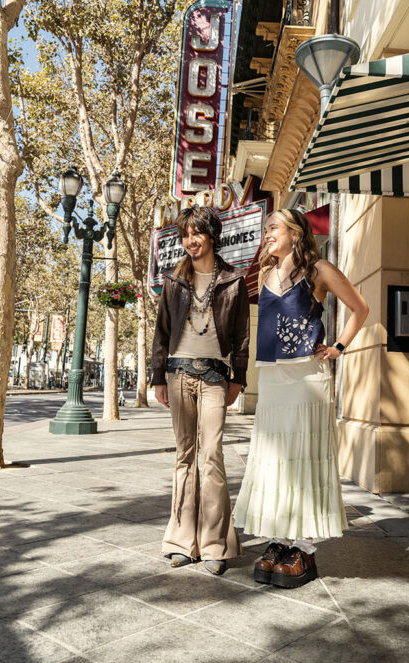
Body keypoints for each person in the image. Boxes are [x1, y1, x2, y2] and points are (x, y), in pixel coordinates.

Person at [233, 208, 368, 589]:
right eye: (266, 229)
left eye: (273, 227)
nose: (266, 233)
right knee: (274, 460)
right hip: (275, 379)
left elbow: (360, 308)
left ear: (295, 232)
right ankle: (279, 539)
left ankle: (303, 547)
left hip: (309, 378)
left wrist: (339, 346)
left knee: (304, 458)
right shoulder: (264, 275)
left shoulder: (319, 270)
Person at [151, 206, 249, 576]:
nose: (191, 241)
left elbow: (241, 336)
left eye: (197, 234)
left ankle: (215, 544)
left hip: (214, 377)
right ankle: (180, 541)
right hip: (177, 375)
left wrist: (239, 377)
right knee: (183, 456)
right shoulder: (173, 281)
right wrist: (157, 376)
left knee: (211, 456)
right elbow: (161, 332)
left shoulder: (233, 280)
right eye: (185, 236)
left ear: (211, 235)